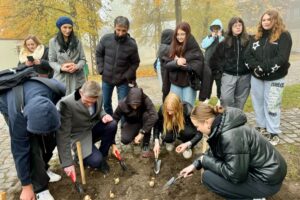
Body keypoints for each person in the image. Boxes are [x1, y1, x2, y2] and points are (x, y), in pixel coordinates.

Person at [180, 103, 287, 200]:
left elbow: (235, 175)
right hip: (268, 172)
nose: (197, 130)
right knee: (211, 167)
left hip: (267, 182)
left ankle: (254, 197)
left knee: (208, 178)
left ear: (207, 122)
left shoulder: (229, 136)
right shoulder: (223, 125)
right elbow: (215, 151)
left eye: (197, 126)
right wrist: (196, 164)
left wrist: (205, 160)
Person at [0, 78, 66, 200]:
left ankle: (44, 169)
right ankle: (40, 188)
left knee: (50, 140)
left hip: (33, 97)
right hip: (9, 103)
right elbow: (20, 152)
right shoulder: (17, 116)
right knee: (32, 147)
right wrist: (26, 186)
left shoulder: (58, 89)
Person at [245, 10, 292, 146]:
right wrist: (256, 68)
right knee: (258, 103)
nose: (265, 22)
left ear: (275, 21)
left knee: (272, 104)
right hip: (257, 78)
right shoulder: (256, 37)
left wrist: (263, 68)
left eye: (268, 19)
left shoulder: (284, 36)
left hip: (275, 78)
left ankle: (273, 132)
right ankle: (262, 127)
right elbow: (248, 55)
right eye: (263, 19)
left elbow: (282, 58)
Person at [56, 80, 118, 179]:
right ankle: (84, 158)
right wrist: (67, 163)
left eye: (92, 102)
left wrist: (103, 115)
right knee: (95, 161)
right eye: (86, 102)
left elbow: (99, 110)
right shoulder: (67, 103)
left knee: (112, 124)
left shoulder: (99, 96)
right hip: (79, 136)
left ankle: (103, 156)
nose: (89, 105)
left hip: (92, 128)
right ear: (81, 92)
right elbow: (63, 135)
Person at [96, 16, 140, 115]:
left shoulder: (131, 44)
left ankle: (123, 126)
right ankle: (110, 124)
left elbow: (135, 63)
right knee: (106, 103)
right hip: (106, 79)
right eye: (118, 30)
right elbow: (98, 53)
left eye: (123, 31)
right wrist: (101, 69)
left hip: (123, 81)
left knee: (123, 104)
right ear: (114, 27)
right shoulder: (106, 39)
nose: (120, 33)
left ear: (127, 29)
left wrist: (126, 76)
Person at [210, 17, 250, 110]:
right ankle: (227, 119)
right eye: (235, 26)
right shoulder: (224, 43)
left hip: (244, 76)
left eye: (240, 25)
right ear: (230, 28)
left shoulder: (249, 41)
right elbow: (213, 60)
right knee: (225, 99)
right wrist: (218, 73)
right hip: (228, 75)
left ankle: (236, 120)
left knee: (240, 101)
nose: (238, 27)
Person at [165, 22, 204, 106]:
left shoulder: (194, 46)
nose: (179, 37)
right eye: (178, 34)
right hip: (175, 83)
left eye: (182, 34)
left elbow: (198, 65)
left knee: (188, 110)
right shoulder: (172, 46)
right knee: (175, 108)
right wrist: (176, 62)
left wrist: (184, 64)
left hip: (189, 84)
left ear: (188, 34)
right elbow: (167, 64)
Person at [153, 93, 202, 159]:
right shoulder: (163, 109)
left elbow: (199, 133)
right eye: (168, 110)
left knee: (187, 132)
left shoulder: (188, 110)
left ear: (178, 107)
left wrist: (188, 144)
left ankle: (186, 146)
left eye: (172, 110)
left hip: (184, 127)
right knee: (165, 135)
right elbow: (157, 125)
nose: (169, 113)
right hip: (171, 127)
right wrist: (156, 142)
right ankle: (169, 140)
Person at [113, 87, 158, 158]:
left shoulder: (145, 99)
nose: (135, 107)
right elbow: (114, 120)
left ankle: (145, 144)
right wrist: (113, 142)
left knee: (148, 116)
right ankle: (135, 134)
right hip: (131, 122)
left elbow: (154, 115)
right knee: (125, 140)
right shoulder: (122, 104)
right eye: (133, 105)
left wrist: (142, 132)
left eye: (137, 105)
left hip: (144, 121)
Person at [49, 16, 87, 95]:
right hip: (61, 79)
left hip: (77, 78)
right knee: (62, 103)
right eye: (65, 27)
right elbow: (52, 61)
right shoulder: (53, 42)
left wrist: (77, 66)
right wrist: (61, 68)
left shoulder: (77, 41)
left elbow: (83, 59)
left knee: (77, 103)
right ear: (60, 28)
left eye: (70, 27)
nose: (68, 30)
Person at [201, 19, 224, 105]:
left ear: (220, 29)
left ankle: (219, 98)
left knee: (219, 83)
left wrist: (219, 37)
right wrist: (212, 38)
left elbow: (225, 46)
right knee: (208, 83)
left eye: (217, 28)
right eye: (214, 28)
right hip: (208, 65)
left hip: (218, 66)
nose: (215, 30)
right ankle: (207, 98)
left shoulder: (223, 38)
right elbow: (203, 45)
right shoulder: (208, 37)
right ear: (211, 29)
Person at [154, 29, 174, 102]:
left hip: (163, 70)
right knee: (166, 91)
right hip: (164, 72)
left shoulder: (163, 46)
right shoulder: (165, 47)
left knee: (166, 90)